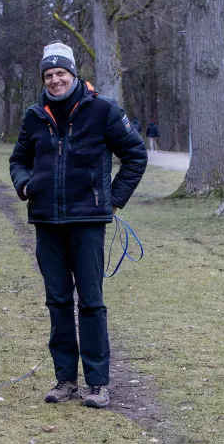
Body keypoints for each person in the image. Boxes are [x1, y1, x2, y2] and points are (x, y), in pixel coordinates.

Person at [9, 42, 147, 410]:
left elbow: (135, 154)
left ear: (73, 74)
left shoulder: (103, 110)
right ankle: (65, 379)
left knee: (91, 302)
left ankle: (98, 384)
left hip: (87, 222)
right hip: (46, 222)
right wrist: (24, 184)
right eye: (49, 74)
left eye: (61, 73)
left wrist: (114, 198)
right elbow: (19, 158)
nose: (55, 80)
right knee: (57, 301)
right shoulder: (34, 115)